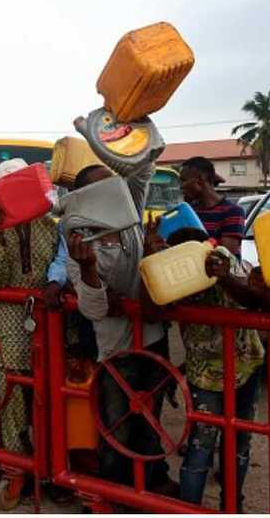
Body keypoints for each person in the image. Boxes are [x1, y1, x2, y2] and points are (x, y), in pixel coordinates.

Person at [147, 227, 270, 512]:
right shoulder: (170, 273)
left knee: (238, 444)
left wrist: (224, 278)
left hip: (246, 366)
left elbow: (265, 303)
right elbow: (152, 310)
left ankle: (233, 506)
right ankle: (190, 509)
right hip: (205, 374)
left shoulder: (222, 259)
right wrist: (149, 258)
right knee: (201, 446)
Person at [65, 157, 178, 501]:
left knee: (150, 423)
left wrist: (123, 130)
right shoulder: (80, 244)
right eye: (106, 186)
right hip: (117, 349)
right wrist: (89, 271)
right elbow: (94, 309)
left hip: (154, 340)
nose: (116, 190)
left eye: (115, 182)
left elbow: (145, 164)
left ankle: (149, 488)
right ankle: (111, 497)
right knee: (116, 427)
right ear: (86, 197)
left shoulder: (131, 218)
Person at [0, 158, 59, 509]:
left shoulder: (50, 225)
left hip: (47, 319)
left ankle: (51, 468)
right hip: (8, 319)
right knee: (12, 397)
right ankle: (16, 470)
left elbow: (56, 268)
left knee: (49, 392)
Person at [179, 156, 245, 257]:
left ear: (199, 180)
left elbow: (225, 257)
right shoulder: (190, 211)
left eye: (184, 180)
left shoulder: (233, 212)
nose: (181, 186)